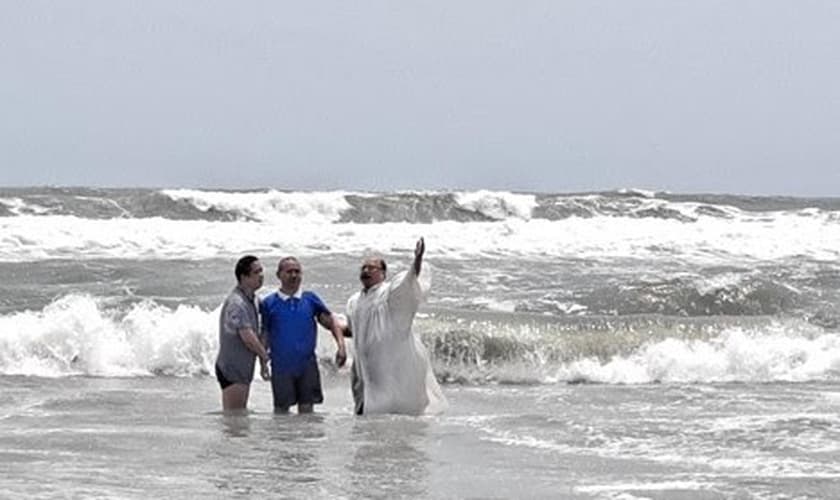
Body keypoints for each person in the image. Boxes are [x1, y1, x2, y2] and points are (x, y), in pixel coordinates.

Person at [345, 237, 447, 415]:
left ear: (383, 274)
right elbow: (353, 329)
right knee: (364, 399)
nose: (366, 271)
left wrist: (417, 260)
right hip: (364, 364)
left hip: (388, 361)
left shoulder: (388, 293)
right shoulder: (354, 301)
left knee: (387, 403)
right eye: (364, 268)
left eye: (372, 268)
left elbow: (407, 283)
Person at [260, 256, 347, 413]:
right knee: (281, 412)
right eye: (289, 272)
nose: (294, 275)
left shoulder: (310, 299)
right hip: (281, 366)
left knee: (307, 412)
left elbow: (331, 322)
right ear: (279, 275)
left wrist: (341, 346)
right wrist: (262, 361)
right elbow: (265, 332)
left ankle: (304, 438)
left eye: (297, 272)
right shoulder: (268, 303)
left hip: (307, 366)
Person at [215, 255, 270, 411]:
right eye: (256, 272)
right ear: (244, 277)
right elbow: (248, 338)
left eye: (262, 271)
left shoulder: (253, 300)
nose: (261, 275)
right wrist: (265, 357)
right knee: (234, 418)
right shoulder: (236, 303)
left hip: (242, 369)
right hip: (232, 369)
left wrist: (262, 362)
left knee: (238, 418)